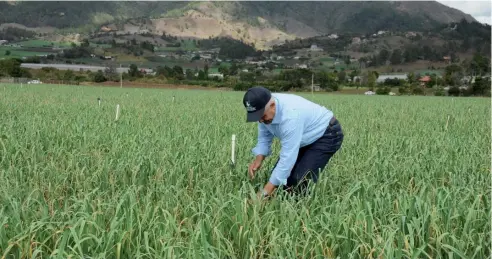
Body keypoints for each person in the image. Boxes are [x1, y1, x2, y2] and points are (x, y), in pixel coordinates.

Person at [243, 86, 344, 198]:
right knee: (281, 181)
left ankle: (302, 211)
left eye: (262, 116)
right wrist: (258, 160)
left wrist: (264, 194)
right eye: (257, 117)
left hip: (326, 135)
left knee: (298, 182)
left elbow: (287, 158)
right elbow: (264, 137)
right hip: (303, 137)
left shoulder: (291, 116)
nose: (261, 120)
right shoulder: (264, 111)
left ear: (272, 105)